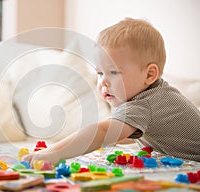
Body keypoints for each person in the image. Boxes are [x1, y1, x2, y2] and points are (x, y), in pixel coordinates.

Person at [22, 18, 200, 164]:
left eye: (114, 72)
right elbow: (121, 135)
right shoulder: (157, 94)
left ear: (150, 74)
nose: (103, 81)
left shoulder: (145, 104)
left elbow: (101, 133)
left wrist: (54, 154)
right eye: (99, 73)